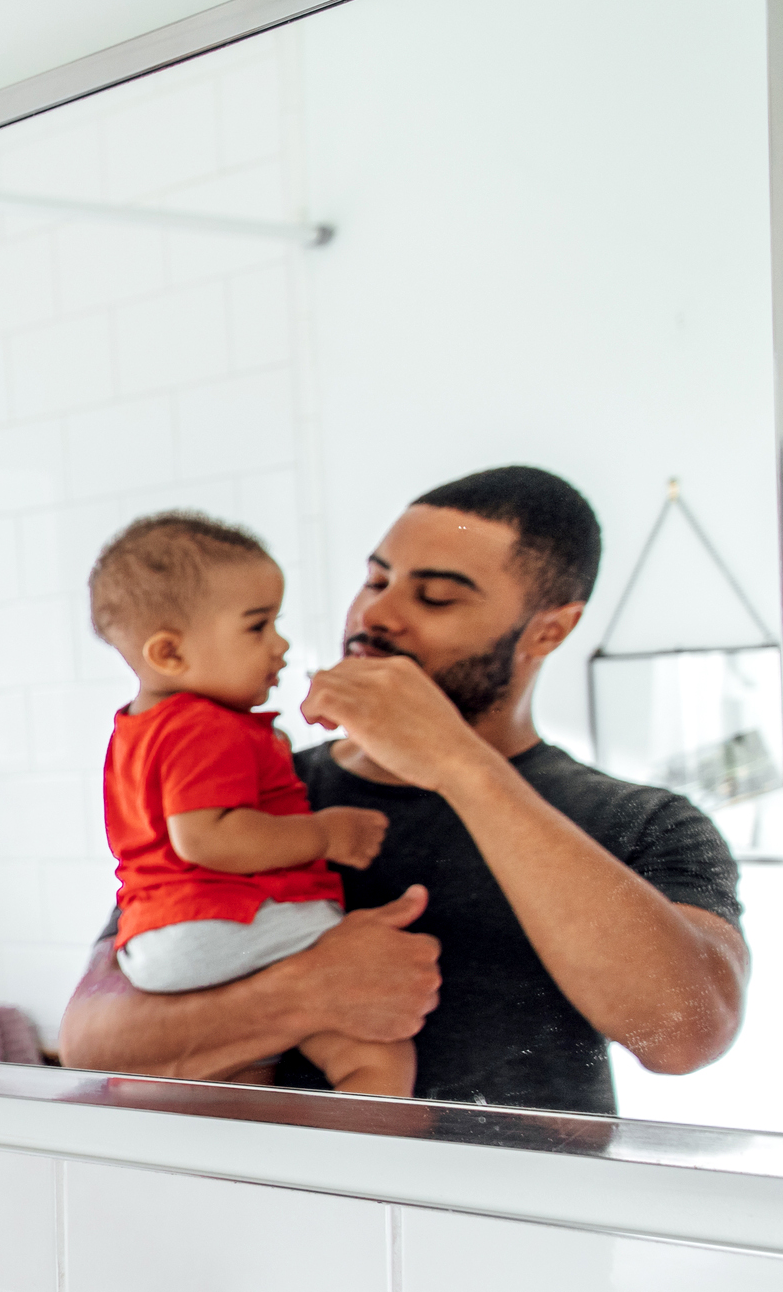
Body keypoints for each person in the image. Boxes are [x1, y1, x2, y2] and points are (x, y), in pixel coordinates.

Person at [61, 467, 748, 1112]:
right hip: (274, 1225)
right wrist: (307, 993)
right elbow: (90, 1041)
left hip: (520, 1236)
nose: (377, 616)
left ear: (550, 629)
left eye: (437, 595)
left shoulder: (643, 822)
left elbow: (686, 1035)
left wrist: (459, 766)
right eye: (375, 580)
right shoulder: (254, 796)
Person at [84, 511, 407, 1094]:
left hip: (157, 938)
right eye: (258, 627)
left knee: (242, 1069)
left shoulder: (141, 730)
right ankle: (375, 1163)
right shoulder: (206, 725)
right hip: (217, 920)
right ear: (170, 655)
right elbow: (208, 837)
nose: (280, 645)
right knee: (374, 1051)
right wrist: (327, 833)